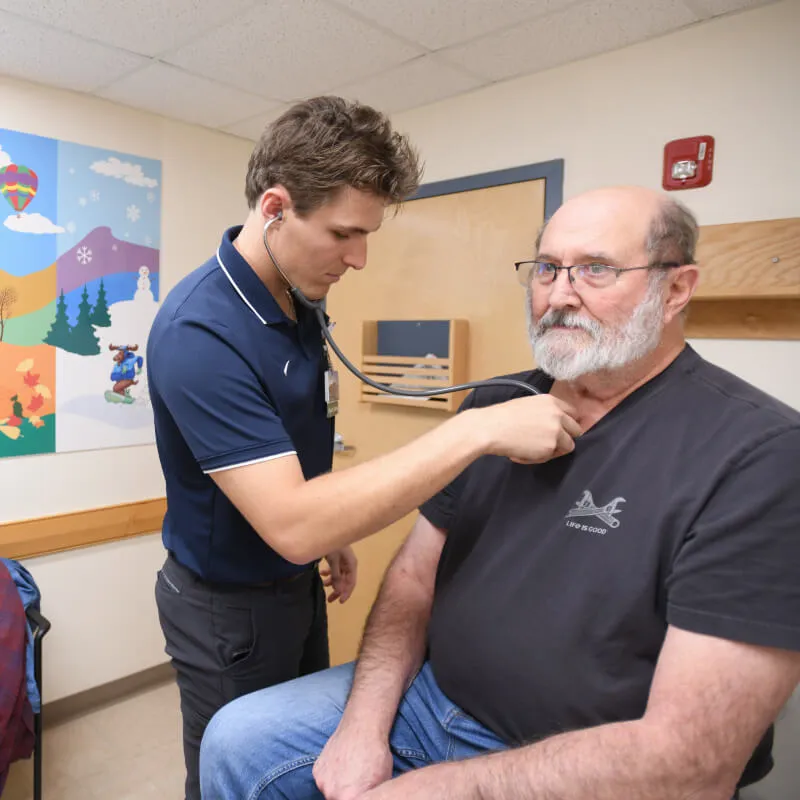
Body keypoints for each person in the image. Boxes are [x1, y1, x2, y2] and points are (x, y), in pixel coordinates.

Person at [199, 185, 800, 800]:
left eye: (596, 269)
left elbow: (690, 762)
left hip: (582, 764)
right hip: (430, 703)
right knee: (237, 738)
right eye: (547, 268)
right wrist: (362, 725)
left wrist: (429, 790)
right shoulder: (494, 407)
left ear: (675, 289)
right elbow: (412, 578)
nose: (560, 294)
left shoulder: (760, 455)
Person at [146, 96, 581, 800]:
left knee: (300, 764)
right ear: (275, 207)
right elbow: (288, 522)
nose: (360, 258)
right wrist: (472, 431)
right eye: (344, 234)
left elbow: (292, 450)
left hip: (293, 582)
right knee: (234, 768)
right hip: (226, 607)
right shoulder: (201, 332)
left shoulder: (298, 296)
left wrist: (330, 527)